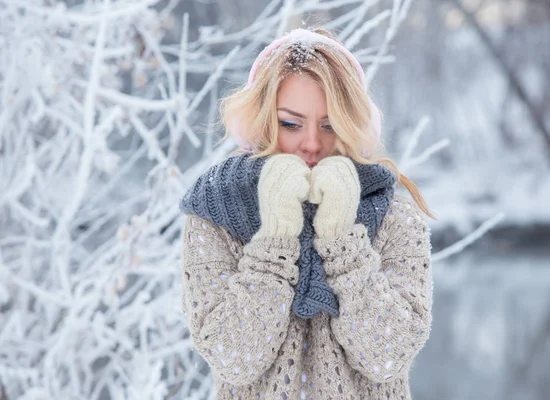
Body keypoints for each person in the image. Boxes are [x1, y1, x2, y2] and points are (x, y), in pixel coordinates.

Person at [179, 27, 435, 400]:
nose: (313, 143)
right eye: (291, 123)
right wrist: (276, 238)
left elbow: (388, 355)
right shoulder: (216, 211)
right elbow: (233, 358)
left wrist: (342, 242)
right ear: (261, 119)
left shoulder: (393, 214)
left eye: (329, 125)